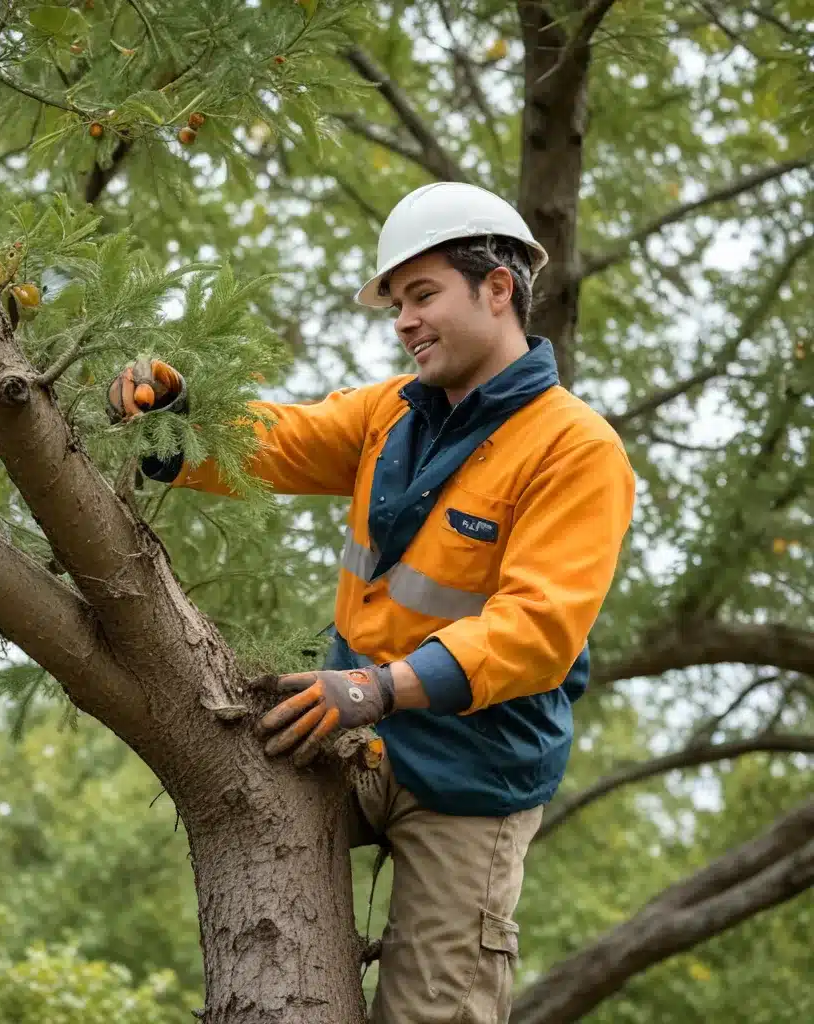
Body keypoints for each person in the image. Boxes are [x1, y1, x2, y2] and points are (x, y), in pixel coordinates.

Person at [106, 182, 636, 1024]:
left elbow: (537, 631)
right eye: (398, 303)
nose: (404, 322)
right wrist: (174, 418)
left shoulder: (575, 449)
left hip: (471, 777)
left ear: (497, 288)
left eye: (422, 295)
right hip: (359, 733)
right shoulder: (392, 412)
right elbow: (276, 438)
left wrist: (381, 686)